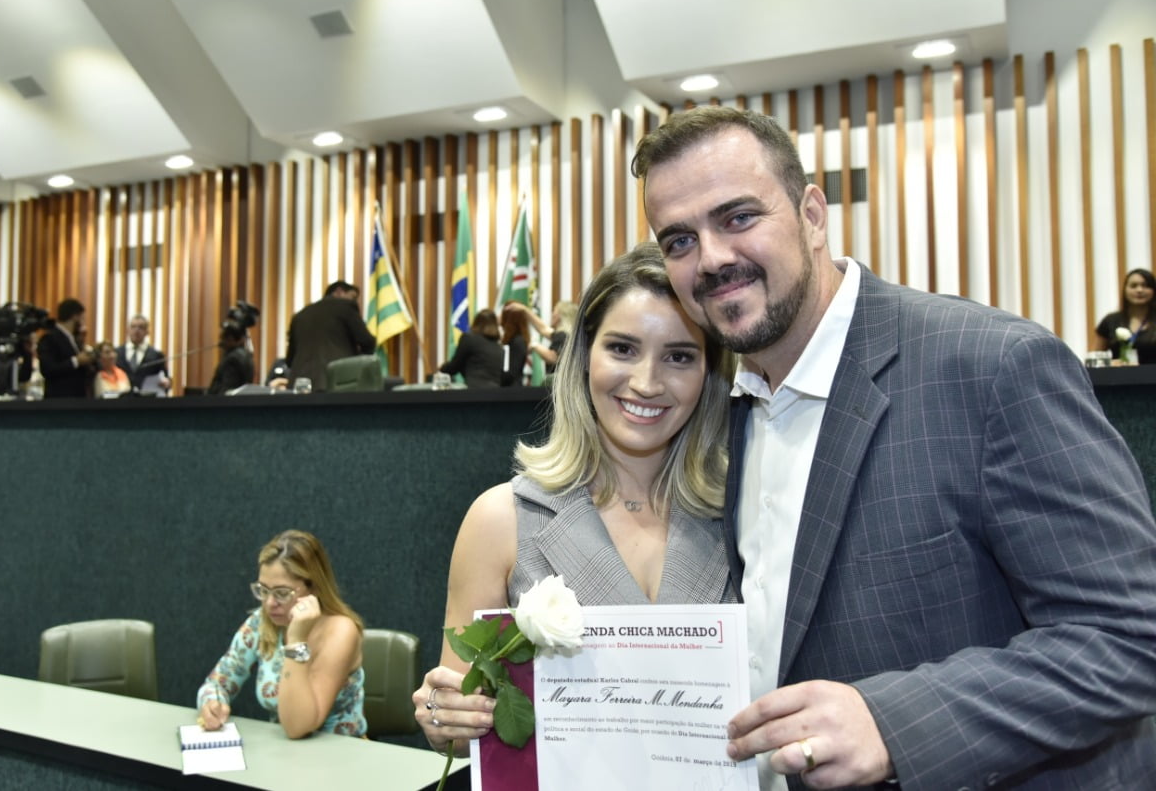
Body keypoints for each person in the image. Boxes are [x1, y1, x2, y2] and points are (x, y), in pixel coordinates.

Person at [632, 106, 1156, 789]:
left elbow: (1129, 633)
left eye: (737, 217)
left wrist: (896, 721)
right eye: (678, 241)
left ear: (813, 214)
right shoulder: (716, 407)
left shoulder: (992, 365)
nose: (712, 259)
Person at [412, 242, 736, 753]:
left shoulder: (744, 516)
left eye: (679, 356)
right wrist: (445, 716)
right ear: (584, 356)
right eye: (623, 349)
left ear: (710, 373)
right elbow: (457, 736)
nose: (646, 383)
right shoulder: (501, 520)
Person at [197, 530, 366, 738]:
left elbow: (299, 727)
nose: (269, 603)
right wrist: (212, 702)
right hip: (284, 755)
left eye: (282, 593)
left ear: (314, 589)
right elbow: (216, 683)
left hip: (341, 756)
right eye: (264, 590)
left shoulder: (341, 631)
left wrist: (296, 641)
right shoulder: (261, 622)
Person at [285, 281, 375, 391]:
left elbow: (290, 359)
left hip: (300, 384)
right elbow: (367, 341)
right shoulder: (345, 306)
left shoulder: (300, 315)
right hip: (337, 381)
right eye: (353, 297)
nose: (355, 301)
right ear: (339, 292)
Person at [1091, 268, 1156, 365]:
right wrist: (1111, 363)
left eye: (1145, 286)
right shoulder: (1110, 320)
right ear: (1125, 289)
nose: (1139, 290)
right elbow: (1095, 359)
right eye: (1133, 286)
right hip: (1118, 378)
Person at [37, 299, 95, 399]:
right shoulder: (50, 337)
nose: (83, 323)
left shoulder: (74, 339)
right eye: (82, 318)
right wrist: (76, 361)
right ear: (75, 316)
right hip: (59, 401)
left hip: (77, 399)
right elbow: (47, 369)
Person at [504, 300, 577, 375]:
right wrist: (524, 310)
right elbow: (543, 328)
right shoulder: (568, 335)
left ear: (559, 316)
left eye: (554, 311)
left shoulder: (563, 335)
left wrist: (534, 345)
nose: (551, 314)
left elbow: (553, 357)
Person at [437, 308, 504, 388]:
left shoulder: (469, 339)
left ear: (476, 323)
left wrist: (442, 368)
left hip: (474, 392)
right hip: (495, 393)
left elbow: (455, 365)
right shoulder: (499, 347)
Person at [117, 315, 171, 393]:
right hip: (121, 400)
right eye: (133, 327)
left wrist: (167, 382)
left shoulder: (156, 355)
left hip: (147, 400)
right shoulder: (117, 353)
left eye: (140, 327)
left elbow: (165, 377)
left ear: (147, 331)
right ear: (128, 330)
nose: (136, 330)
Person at [208, 321, 254, 395]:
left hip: (225, 403)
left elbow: (227, 390)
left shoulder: (233, 359)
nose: (221, 342)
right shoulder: (246, 355)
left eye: (225, 338)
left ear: (237, 339)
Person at [498, 303, 530, 386]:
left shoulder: (517, 341)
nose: (499, 315)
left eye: (502, 312)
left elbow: (512, 372)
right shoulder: (513, 340)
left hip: (512, 392)